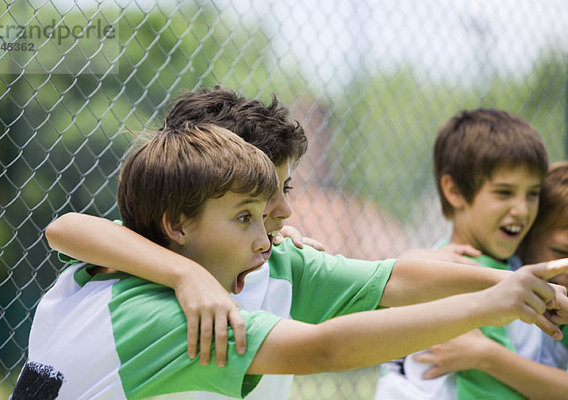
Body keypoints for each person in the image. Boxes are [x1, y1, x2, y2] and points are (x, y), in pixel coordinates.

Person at [43, 90, 568, 399]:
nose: (285, 211)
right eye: (252, 203)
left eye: (282, 189)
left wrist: (515, 283)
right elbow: (67, 228)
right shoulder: (165, 304)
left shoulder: (267, 256)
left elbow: (391, 278)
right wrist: (187, 276)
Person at [376, 109, 553, 399]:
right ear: (454, 190)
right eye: (505, 192)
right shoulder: (457, 274)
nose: (522, 209)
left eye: (532, 193)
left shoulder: (508, 267)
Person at [406, 162, 568, 400]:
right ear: (525, 236)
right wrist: (415, 259)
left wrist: (486, 354)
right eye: (560, 252)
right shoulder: (484, 272)